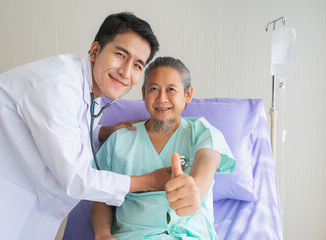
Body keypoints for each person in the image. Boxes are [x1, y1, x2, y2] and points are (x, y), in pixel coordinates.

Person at [0, 12, 174, 240]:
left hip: (13, 205)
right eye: (120, 55)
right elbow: (77, 179)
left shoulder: (88, 87)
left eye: (137, 65)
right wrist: (148, 181)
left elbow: (61, 128)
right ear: (95, 50)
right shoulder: (59, 86)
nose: (126, 72)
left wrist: (102, 131)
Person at [91, 56, 236, 240]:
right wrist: (103, 234)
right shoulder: (119, 140)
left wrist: (194, 191)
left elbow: (207, 163)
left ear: (188, 94)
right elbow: (101, 197)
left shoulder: (201, 132)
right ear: (143, 93)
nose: (161, 99)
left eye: (171, 90)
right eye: (153, 89)